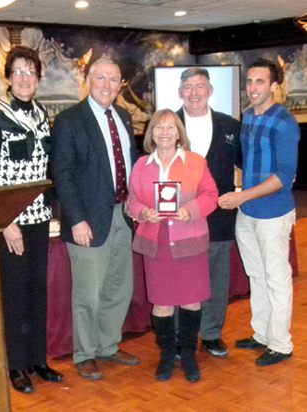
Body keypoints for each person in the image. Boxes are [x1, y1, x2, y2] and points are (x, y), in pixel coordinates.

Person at [51, 57, 139, 381]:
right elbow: (62, 173)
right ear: (87, 80)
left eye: (114, 80)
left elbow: (131, 164)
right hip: (87, 220)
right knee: (88, 294)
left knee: (119, 287)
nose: (107, 85)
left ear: (120, 85)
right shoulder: (69, 120)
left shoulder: (125, 117)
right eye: (100, 78)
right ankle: (85, 354)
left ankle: (108, 345)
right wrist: (76, 220)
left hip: (122, 215)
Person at [0, 46, 64, 394]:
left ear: (38, 77)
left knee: (36, 291)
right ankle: (16, 365)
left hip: (39, 218)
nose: (24, 78)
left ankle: (37, 360)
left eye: (30, 72)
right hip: (9, 222)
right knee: (14, 294)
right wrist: (5, 222)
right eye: (17, 72)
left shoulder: (42, 114)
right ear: (8, 78)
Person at [218, 58, 300, 366]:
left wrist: (241, 197)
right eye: (249, 82)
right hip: (248, 212)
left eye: (259, 82)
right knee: (257, 275)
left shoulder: (285, 122)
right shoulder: (248, 116)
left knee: (276, 278)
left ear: (274, 86)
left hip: (274, 213)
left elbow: (283, 175)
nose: (252, 88)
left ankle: (281, 343)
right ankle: (263, 334)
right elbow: (247, 162)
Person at [127, 109, 218, 382]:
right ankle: (167, 354)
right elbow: (131, 200)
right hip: (157, 244)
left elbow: (211, 195)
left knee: (191, 301)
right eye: (159, 127)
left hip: (189, 240)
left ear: (179, 132)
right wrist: (143, 213)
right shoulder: (141, 165)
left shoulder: (195, 162)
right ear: (151, 132)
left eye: (170, 127)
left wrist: (190, 209)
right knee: (162, 304)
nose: (164, 132)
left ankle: (188, 354)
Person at [176, 68, 241, 357]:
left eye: (199, 86)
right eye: (188, 87)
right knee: (180, 277)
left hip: (220, 215)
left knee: (217, 277)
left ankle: (212, 334)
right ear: (180, 92)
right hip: (179, 218)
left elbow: (245, 163)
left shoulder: (230, 126)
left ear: (210, 91)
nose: (193, 93)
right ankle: (179, 336)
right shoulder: (168, 124)